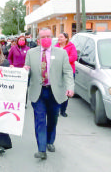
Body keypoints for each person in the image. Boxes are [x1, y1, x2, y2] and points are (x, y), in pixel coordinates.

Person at [24, 28, 74, 160]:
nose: (46, 39)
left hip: (55, 92)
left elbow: (68, 72)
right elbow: (27, 71)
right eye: (43, 37)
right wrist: (25, 70)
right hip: (38, 92)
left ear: (52, 38)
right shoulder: (31, 53)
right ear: (38, 39)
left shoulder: (61, 53)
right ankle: (41, 149)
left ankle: (50, 141)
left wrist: (70, 87)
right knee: (39, 120)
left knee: (53, 119)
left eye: (48, 36)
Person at [55, 32, 78, 117]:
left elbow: (73, 57)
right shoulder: (56, 47)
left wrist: (62, 60)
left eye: (61, 37)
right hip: (57, 72)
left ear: (66, 39)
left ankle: (63, 110)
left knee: (66, 91)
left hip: (69, 72)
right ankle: (56, 110)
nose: (59, 38)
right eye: (59, 37)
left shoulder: (71, 46)